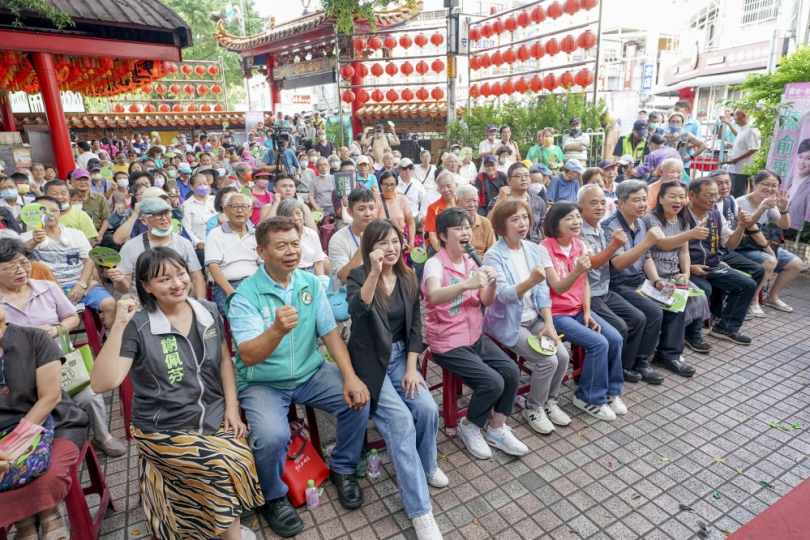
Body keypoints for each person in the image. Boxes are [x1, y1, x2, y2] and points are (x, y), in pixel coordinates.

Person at [91, 248, 263, 540]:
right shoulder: (138, 325)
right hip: (162, 427)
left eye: (181, 273)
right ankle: (230, 534)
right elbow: (101, 383)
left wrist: (232, 408)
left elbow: (225, 360)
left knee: (238, 454)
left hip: (214, 416)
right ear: (146, 286)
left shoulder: (207, 310)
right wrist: (118, 325)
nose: (177, 283)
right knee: (219, 464)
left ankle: (208, 522)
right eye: (164, 279)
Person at [226, 217, 370, 537]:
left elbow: (330, 334)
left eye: (295, 243)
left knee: (358, 400)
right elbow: (248, 355)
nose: (291, 251)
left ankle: (343, 467)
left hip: (310, 372)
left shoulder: (310, 283)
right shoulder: (245, 296)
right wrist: (276, 330)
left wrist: (350, 377)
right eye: (281, 245)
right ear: (261, 251)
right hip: (263, 382)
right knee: (271, 436)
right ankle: (273, 496)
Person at [346, 219, 445, 540]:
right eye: (382, 243)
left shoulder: (407, 276)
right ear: (369, 248)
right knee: (401, 421)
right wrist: (374, 272)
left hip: (403, 358)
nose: (390, 248)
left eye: (394, 241)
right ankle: (420, 511)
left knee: (427, 408)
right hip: (370, 363)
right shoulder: (358, 276)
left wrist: (412, 367)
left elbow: (415, 326)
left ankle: (427, 466)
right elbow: (358, 309)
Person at [0, 236, 125, 459]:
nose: (21, 270)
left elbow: (72, 317)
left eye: (24, 263)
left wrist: (56, 330)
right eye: (10, 267)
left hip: (61, 361)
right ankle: (34, 441)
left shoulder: (47, 288)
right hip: (16, 373)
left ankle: (102, 436)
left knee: (90, 395)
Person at [423, 207, 528, 458]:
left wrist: (493, 283)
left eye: (467, 227)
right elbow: (434, 296)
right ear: (443, 236)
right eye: (458, 228)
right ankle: (469, 425)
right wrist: (466, 284)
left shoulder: (472, 262)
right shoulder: (434, 264)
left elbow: (486, 301)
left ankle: (497, 428)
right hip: (447, 342)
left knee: (511, 371)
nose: (465, 233)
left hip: (474, 336)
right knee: (492, 382)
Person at [0, 298, 90, 540]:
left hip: (56, 422)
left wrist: (12, 447)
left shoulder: (34, 339)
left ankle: (48, 516)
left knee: (47, 474)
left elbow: (50, 398)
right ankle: (25, 522)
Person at [483, 199, 572, 434]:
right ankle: (533, 407)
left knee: (562, 356)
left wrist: (549, 323)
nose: (522, 223)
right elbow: (503, 295)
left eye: (525, 217)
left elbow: (542, 291)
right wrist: (531, 281)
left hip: (536, 318)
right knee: (547, 361)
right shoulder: (494, 255)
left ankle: (550, 400)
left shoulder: (532, 249)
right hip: (509, 321)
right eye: (515, 219)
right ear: (501, 225)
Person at [537, 201, 626, 420]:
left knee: (615, 338)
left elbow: (585, 283)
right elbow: (558, 287)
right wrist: (577, 270)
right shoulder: (544, 248)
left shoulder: (579, 245)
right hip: (556, 314)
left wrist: (587, 311)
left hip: (578, 310)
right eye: (569, 218)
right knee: (599, 343)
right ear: (555, 223)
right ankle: (588, 397)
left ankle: (612, 392)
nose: (576, 221)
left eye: (578, 216)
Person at [601, 180, 694, 382]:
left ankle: (668, 355)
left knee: (676, 300)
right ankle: (639, 362)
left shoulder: (640, 222)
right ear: (620, 203)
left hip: (639, 280)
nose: (643, 204)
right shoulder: (610, 227)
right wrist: (647, 242)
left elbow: (646, 257)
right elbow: (618, 264)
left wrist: (657, 281)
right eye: (636, 200)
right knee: (652, 312)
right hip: (617, 284)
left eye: (644, 199)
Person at [578, 184, 651, 384]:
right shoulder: (578, 230)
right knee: (619, 326)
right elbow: (593, 263)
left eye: (603, 202)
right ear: (580, 205)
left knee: (638, 318)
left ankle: (624, 366)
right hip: (588, 293)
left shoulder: (600, 228)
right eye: (593, 203)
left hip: (604, 289)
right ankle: (604, 374)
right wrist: (615, 246)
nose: (600, 207)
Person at [21, 195, 117, 326]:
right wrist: (33, 242)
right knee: (47, 320)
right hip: (47, 291)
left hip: (80, 285)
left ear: (60, 212)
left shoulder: (76, 234)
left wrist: (81, 284)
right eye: (43, 211)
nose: (50, 214)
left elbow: (89, 260)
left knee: (111, 304)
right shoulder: (25, 238)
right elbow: (17, 258)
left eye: (54, 210)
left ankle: (113, 338)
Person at [642, 181, 712, 353]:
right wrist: (691, 233)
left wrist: (686, 274)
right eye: (672, 196)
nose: (677, 201)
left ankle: (690, 336)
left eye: (681, 197)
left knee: (698, 295)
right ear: (660, 199)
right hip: (654, 274)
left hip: (674, 274)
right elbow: (663, 244)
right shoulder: (651, 219)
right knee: (675, 302)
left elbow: (684, 252)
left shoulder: (682, 219)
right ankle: (669, 346)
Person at [685, 177, 756, 345]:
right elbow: (672, 250)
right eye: (709, 195)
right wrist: (689, 267)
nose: (714, 199)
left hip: (712, 266)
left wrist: (741, 226)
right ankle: (691, 335)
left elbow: (730, 244)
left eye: (716, 195)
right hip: (687, 268)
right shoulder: (681, 215)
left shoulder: (716, 215)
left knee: (747, 285)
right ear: (692, 195)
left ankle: (725, 328)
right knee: (703, 289)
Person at [109, 197, 206, 301]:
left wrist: (201, 303)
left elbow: (197, 278)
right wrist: (119, 280)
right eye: (157, 214)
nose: (164, 218)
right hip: (145, 305)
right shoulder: (131, 247)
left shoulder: (184, 243)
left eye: (167, 213)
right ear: (144, 221)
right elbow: (122, 289)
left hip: (179, 303)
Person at [735, 170, 801, 313]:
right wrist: (770, 251)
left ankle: (771, 297)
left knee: (795, 263)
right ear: (754, 184)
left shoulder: (769, 203)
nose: (770, 189)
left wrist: (783, 209)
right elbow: (750, 226)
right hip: (742, 247)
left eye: (774, 186)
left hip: (758, 246)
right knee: (770, 261)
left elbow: (784, 225)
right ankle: (752, 300)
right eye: (765, 184)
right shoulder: (742, 202)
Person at [205, 193, 261, 316]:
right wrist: (230, 291)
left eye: (244, 207)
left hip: (254, 284)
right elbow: (213, 266)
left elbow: (263, 265)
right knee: (241, 317)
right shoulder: (215, 234)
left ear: (251, 211)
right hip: (227, 285)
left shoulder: (257, 234)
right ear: (226, 210)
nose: (239, 210)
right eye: (235, 207)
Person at [487, 162, 548, 243]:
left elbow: (544, 227)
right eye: (518, 176)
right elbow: (487, 226)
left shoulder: (538, 201)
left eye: (526, 176)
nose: (523, 179)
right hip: (508, 246)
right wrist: (500, 201)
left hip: (533, 246)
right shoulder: (499, 200)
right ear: (508, 180)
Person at [329, 188, 377, 291]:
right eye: (361, 209)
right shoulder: (338, 239)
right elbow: (344, 277)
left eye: (372, 208)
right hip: (350, 294)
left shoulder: (382, 234)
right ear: (350, 211)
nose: (368, 213)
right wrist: (362, 248)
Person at [276, 198, 327, 276]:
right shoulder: (278, 236)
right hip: (289, 274)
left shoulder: (312, 233)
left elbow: (318, 263)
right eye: (290, 215)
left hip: (311, 273)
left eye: (298, 213)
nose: (296, 218)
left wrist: (320, 281)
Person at [43, 180, 98, 246]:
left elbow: (90, 242)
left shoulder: (82, 215)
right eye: (54, 194)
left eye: (63, 194)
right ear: (45, 196)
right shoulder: (39, 215)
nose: (59, 197)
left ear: (69, 196)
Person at [181, 173, 217, 267]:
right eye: (199, 184)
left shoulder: (215, 201)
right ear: (192, 187)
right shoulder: (186, 205)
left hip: (218, 242)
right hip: (201, 247)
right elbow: (186, 228)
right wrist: (197, 242)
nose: (203, 186)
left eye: (205, 183)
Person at [724, 109, 761, 197]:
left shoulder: (750, 130)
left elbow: (754, 149)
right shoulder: (742, 129)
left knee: (738, 195)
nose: (734, 118)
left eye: (736, 115)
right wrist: (733, 146)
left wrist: (737, 159)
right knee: (730, 194)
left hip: (741, 169)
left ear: (743, 116)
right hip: (735, 168)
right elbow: (744, 146)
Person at [376, 171, 415, 248]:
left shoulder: (402, 199)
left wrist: (411, 242)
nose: (389, 188)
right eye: (386, 184)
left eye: (392, 184)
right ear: (381, 185)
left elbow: (411, 223)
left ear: (396, 185)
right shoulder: (375, 199)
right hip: (381, 239)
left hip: (399, 239)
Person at [663, 112, 707, 178]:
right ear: (669, 122)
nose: (675, 124)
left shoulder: (685, 135)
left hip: (681, 168)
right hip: (665, 168)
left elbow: (703, 145)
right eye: (673, 121)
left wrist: (690, 157)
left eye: (678, 122)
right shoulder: (664, 136)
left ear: (682, 124)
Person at [457, 184, 495, 259]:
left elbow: (492, 250)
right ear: (457, 202)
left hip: (482, 261)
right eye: (467, 201)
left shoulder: (485, 222)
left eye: (475, 201)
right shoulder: (452, 223)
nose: (472, 205)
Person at [424, 172, 458, 253]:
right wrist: (443, 254)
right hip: (439, 246)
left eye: (449, 186)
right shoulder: (433, 208)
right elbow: (432, 236)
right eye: (442, 187)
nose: (446, 190)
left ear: (456, 185)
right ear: (438, 189)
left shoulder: (461, 203)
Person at [396, 158, 426, 225]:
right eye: (404, 168)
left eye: (410, 167)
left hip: (414, 216)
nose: (408, 170)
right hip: (398, 217)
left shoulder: (417, 184)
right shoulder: (394, 183)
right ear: (399, 170)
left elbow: (424, 200)